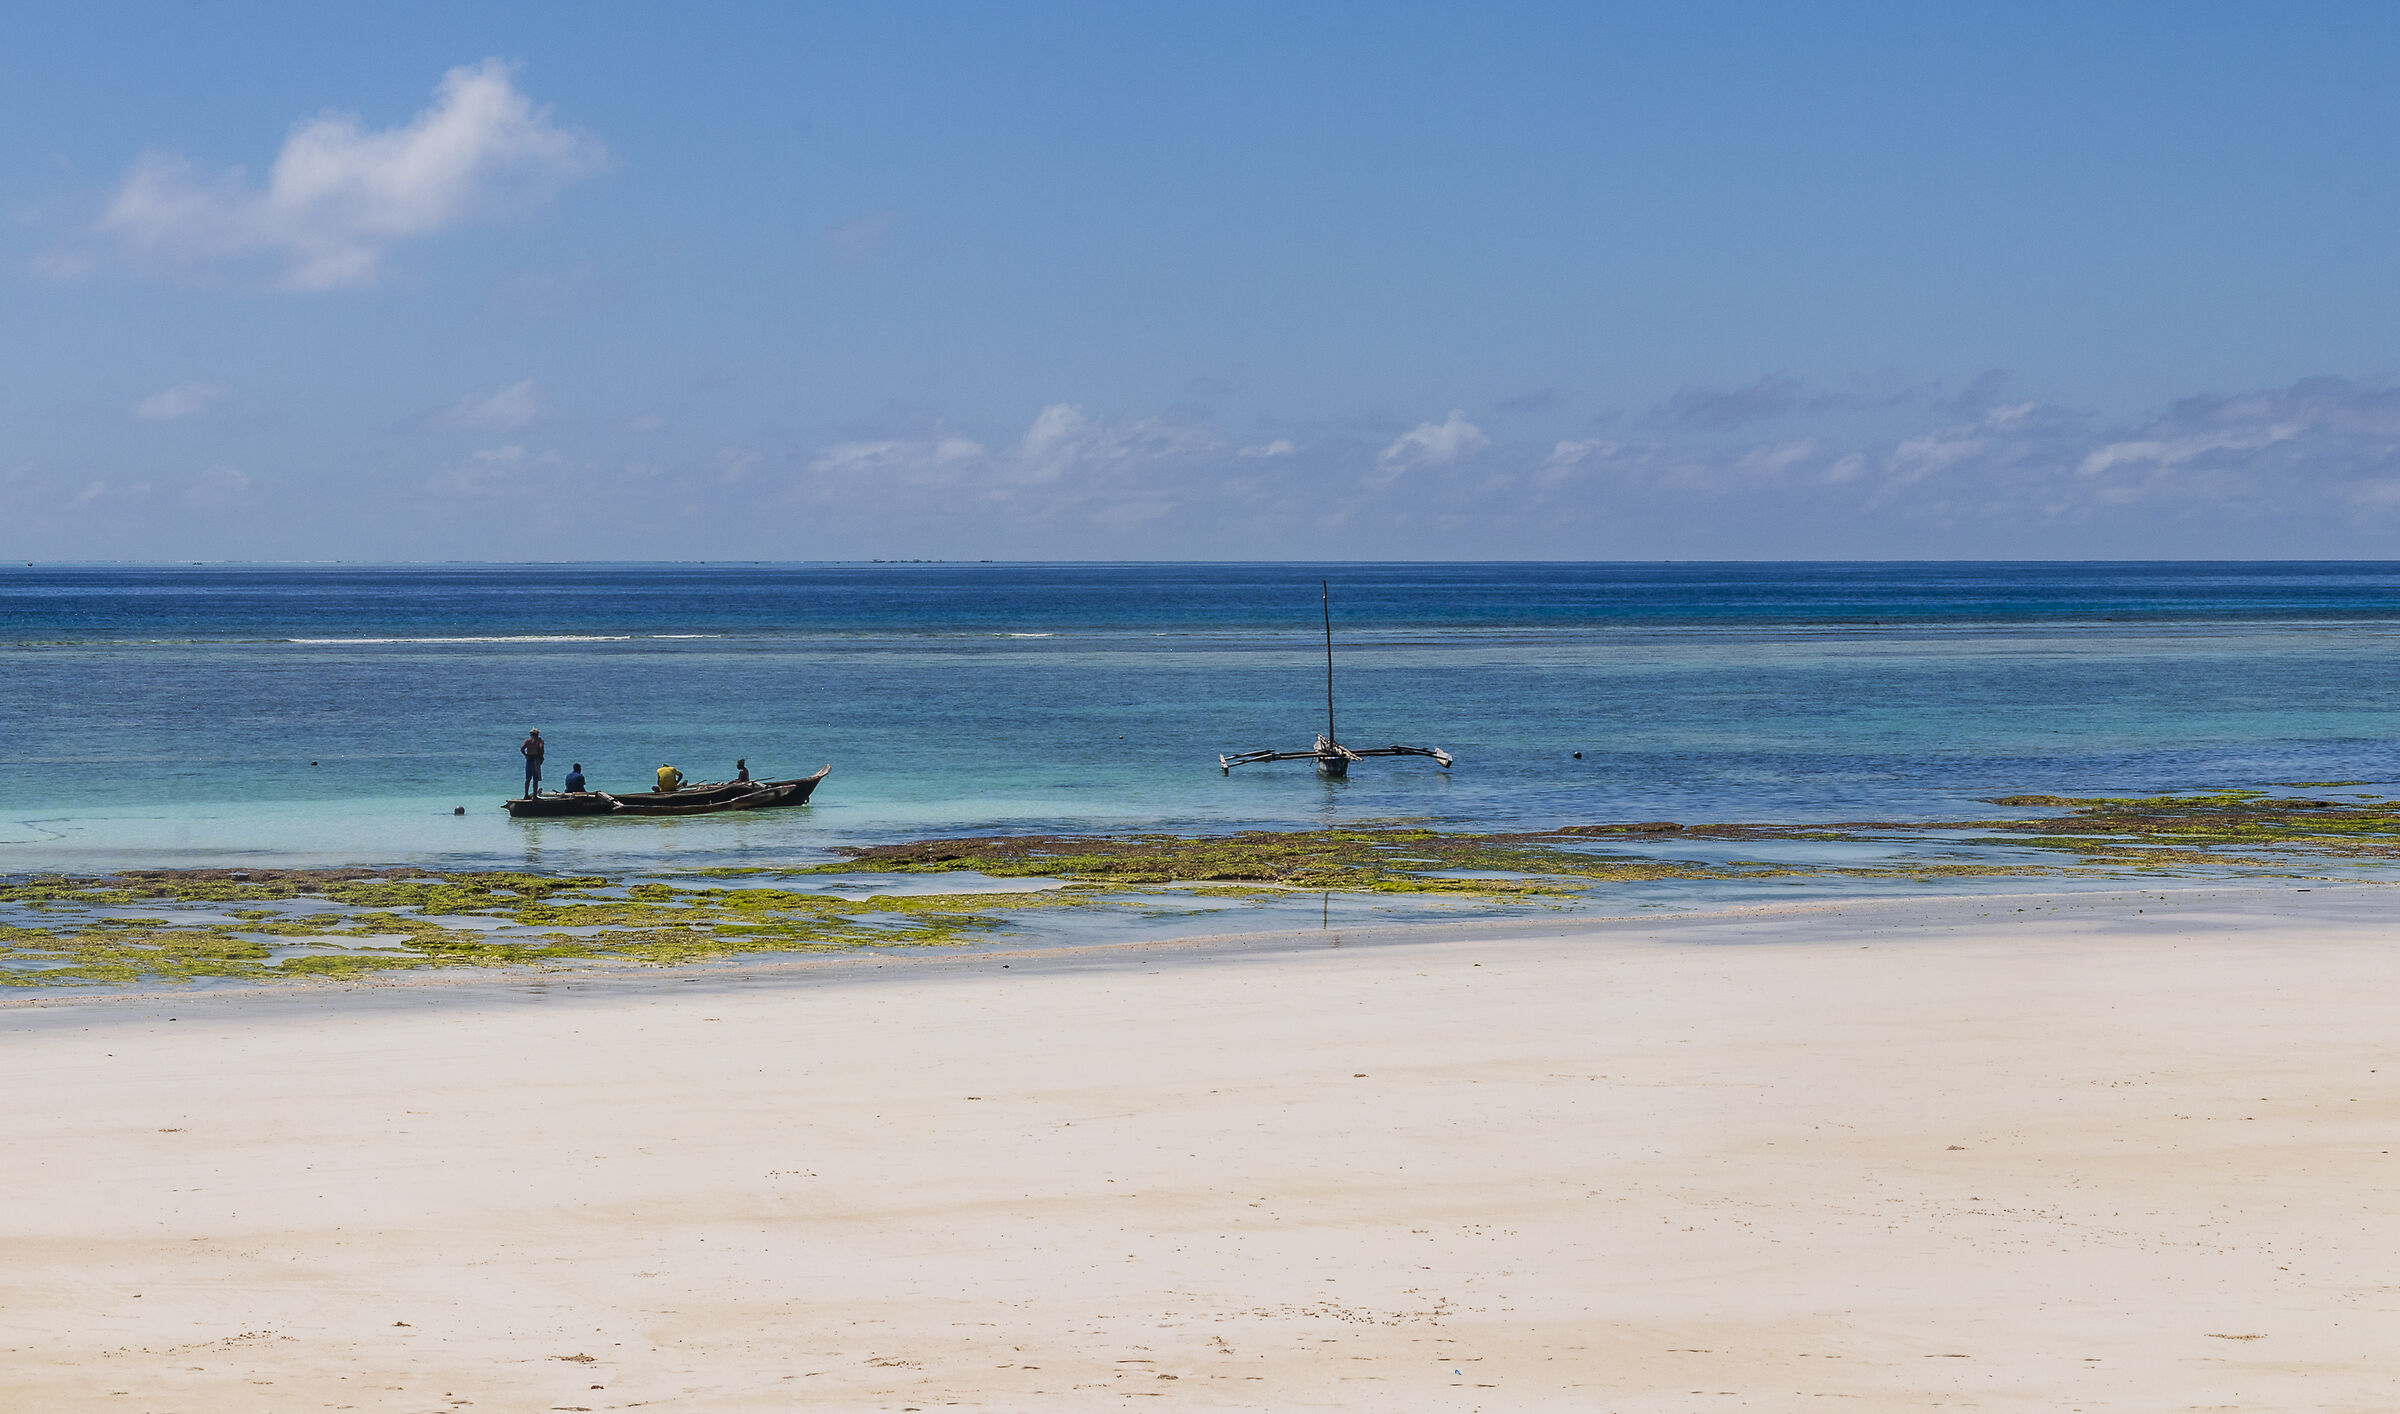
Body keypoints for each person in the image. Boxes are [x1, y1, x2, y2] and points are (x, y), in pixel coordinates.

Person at [520, 730, 546, 798]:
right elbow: (541, 748)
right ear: (537, 734)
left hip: (529, 759)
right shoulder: (539, 740)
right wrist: (541, 756)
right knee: (535, 778)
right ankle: (534, 796)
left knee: (528, 778)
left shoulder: (528, 740)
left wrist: (525, 754)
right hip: (535, 758)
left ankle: (526, 794)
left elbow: (522, 748)